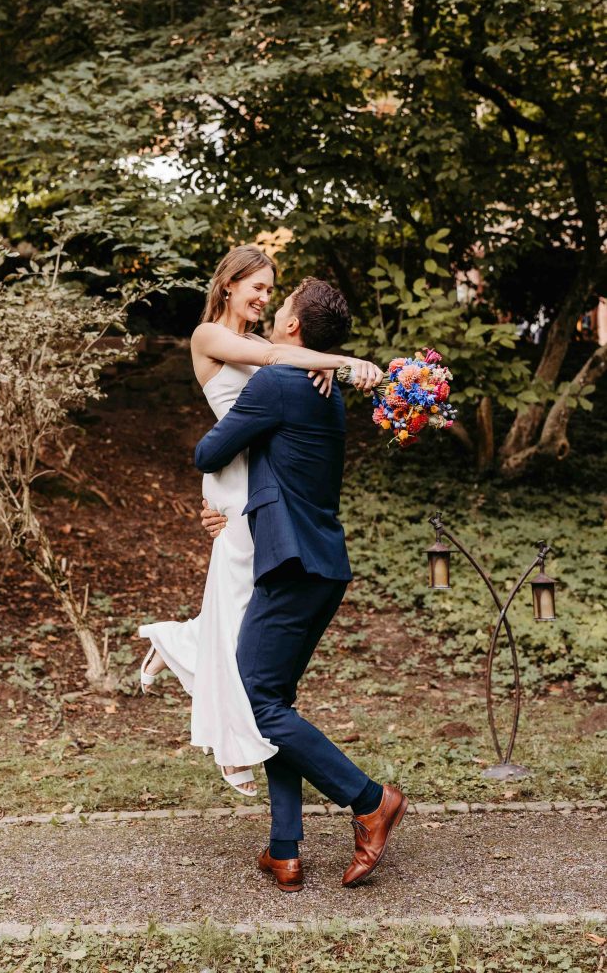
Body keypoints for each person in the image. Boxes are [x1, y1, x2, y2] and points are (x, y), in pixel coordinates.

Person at [139, 245, 382, 797]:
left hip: (264, 480)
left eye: (272, 290)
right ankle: (230, 742)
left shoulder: (267, 345)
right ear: (228, 284)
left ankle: (179, 649)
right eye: (257, 287)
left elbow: (283, 361)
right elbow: (275, 360)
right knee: (240, 602)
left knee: (246, 605)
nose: (265, 298)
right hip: (233, 479)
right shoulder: (208, 336)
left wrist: (316, 363)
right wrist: (337, 362)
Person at [194, 279, 408, 892]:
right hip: (323, 566)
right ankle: (284, 849)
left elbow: (208, 453)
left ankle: (370, 800)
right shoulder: (324, 390)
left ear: (292, 327)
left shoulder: (277, 383)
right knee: (273, 700)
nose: (275, 305)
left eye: (282, 300)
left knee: (255, 702)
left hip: (287, 566)